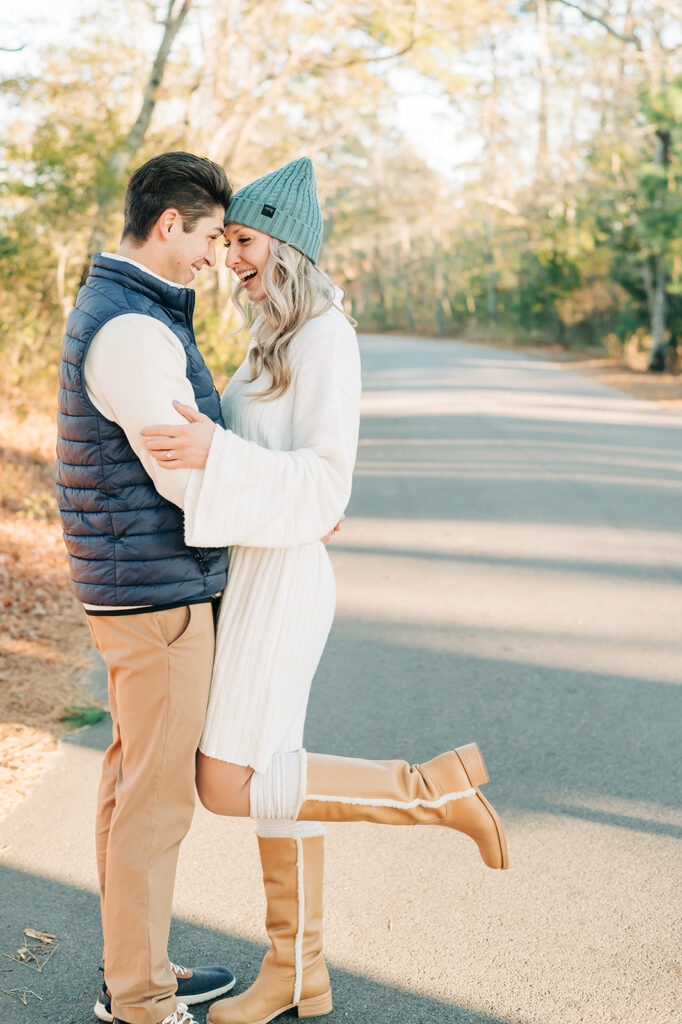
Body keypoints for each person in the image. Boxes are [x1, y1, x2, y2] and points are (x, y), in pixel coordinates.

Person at [142, 157, 509, 1024]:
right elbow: (280, 472)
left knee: (229, 784)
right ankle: (296, 974)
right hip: (255, 570)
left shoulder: (325, 337)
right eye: (225, 241)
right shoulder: (274, 334)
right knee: (277, 775)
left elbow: (325, 486)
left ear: (289, 244)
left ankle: (432, 792)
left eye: (243, 240)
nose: (230, 257)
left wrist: (220, 455)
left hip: (284, 584)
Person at [55, 152, 240, 1024]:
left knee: (136, 791)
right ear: (172, 224)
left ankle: (138, 970)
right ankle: (140, 999)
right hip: (155, 596)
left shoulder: (133, 312)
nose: (213, 255)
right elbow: (183, 472)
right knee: (156, 806)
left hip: (140, 584)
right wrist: (286, 500)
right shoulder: (132, 328)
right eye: (208, 236)